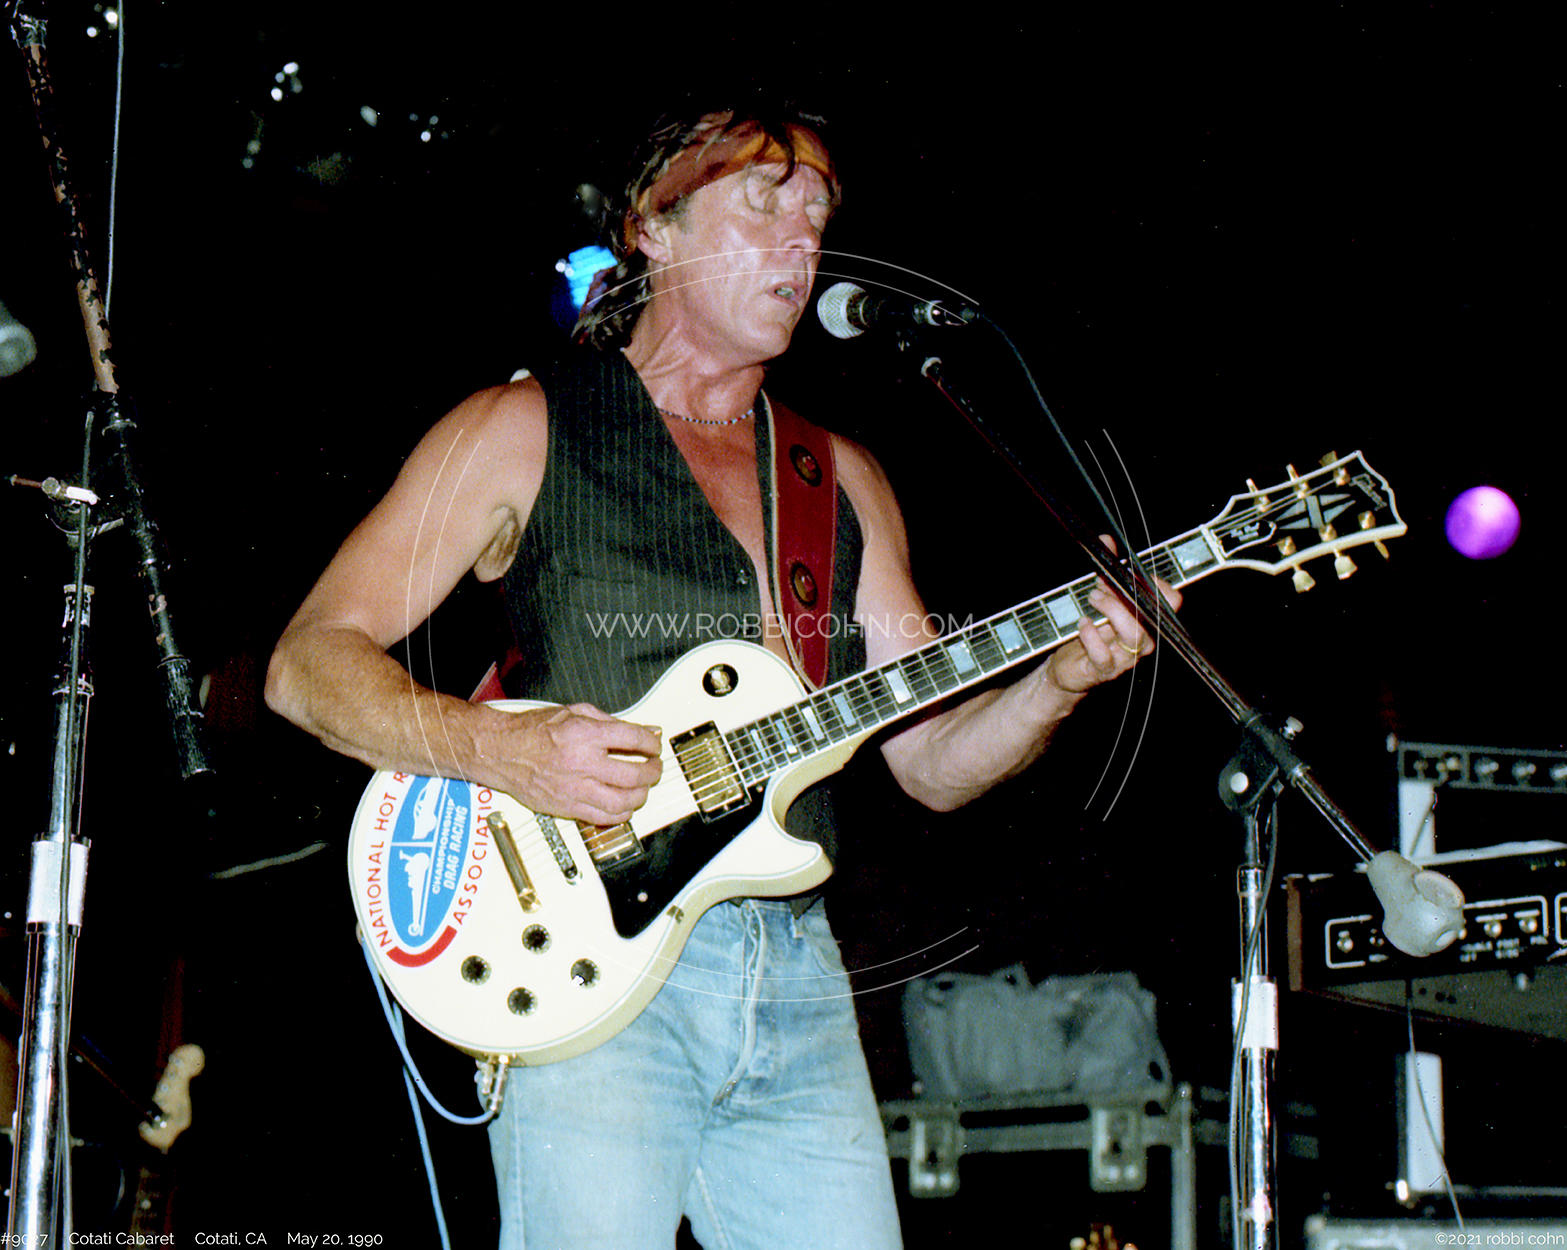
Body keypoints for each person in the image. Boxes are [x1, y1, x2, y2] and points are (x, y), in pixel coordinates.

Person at [265, 103, 1176, 1250]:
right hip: (586, 956)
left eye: (818, 214)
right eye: (764, 201)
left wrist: (1063, 678)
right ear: (654, 226)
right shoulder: (520, 427)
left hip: (797, 970)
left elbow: (932, 764)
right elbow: (307, 663)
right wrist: (502, 747)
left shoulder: (838, 475)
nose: (804, 240)